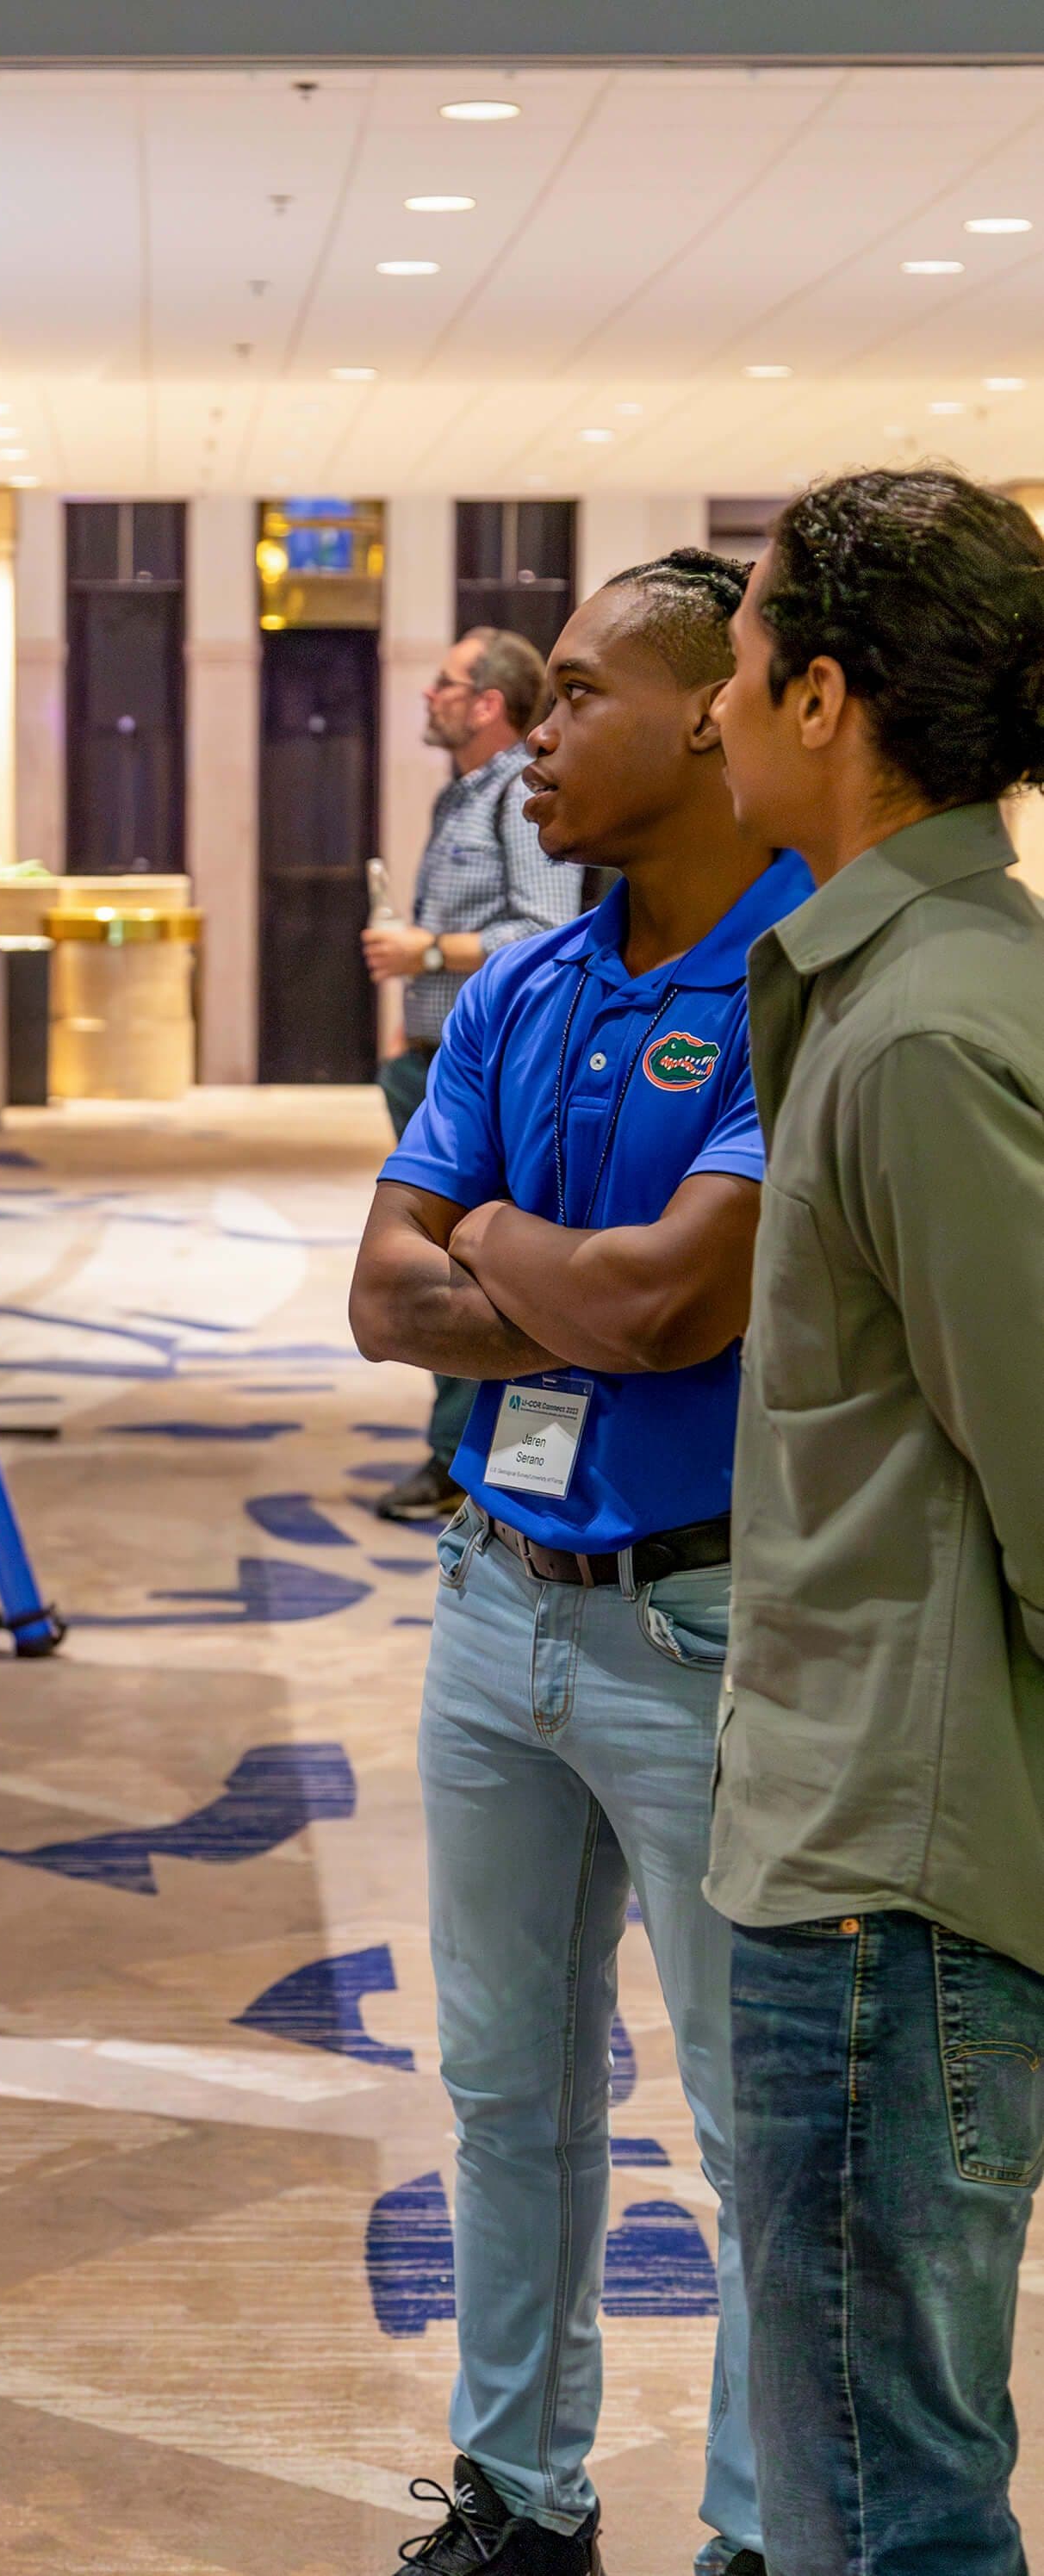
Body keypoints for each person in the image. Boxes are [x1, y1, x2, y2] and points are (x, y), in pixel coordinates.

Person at [351, 549, 811, 2576]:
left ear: (710, 715)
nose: (533, 731)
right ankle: (515, 2501)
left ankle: (756, 2528)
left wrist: (495, 1256)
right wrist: (563, 1287)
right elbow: (375, 1295)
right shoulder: (523, 980)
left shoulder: (808, 979)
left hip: (708, 1632)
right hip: (490, 1597)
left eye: (582, 697)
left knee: (749, 2127)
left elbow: (672, 1310)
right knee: (502, 2092)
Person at [704, 468, 1044, 2576]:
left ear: (821, 695)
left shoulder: (924, 1029)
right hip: (855, 1847)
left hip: (883, 1895)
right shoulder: (898, 984)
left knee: (882, 2500)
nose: (712, 712)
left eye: (737, 666)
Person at [363, 626, 582, 1523]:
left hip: (489, 1082)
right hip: (429, 1068)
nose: (427, 695)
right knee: (429, 1261)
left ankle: (463, 1464)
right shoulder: (457, 799)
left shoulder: (515, 801)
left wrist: (425, 953)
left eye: (445, 682)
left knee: (465, 1270)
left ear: (488, 702)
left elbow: (540, 929)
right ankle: (459, 1455)